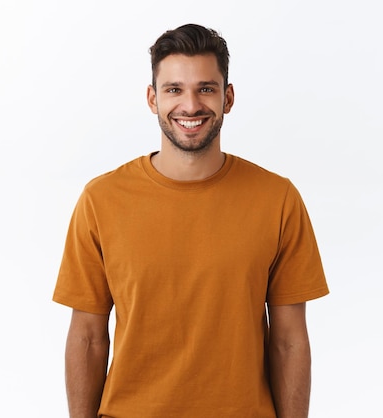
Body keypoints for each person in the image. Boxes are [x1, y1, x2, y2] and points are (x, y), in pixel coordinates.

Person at [52, 23, 329, 418]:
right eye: (174, 89)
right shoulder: (101, 200)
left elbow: (288, 340)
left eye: (206, 88)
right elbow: (88, 338)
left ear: (227, 97)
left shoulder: (278, 199)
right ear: (152, 98)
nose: (190, 105)